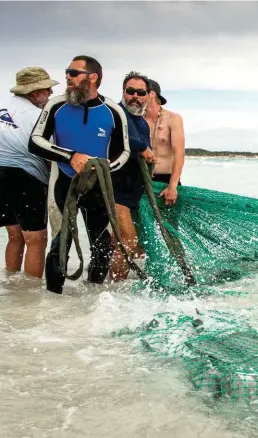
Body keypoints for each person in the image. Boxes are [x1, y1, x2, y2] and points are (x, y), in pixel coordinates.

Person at [28, 55, 131, 294]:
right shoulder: (56, 105)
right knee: (60, 245)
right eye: (67, 72)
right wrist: (70, 156)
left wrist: (103, 168)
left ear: (93, 78)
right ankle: (53, 303)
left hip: (99, 187)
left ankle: (92, 301)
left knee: (101, 246)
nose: (67, 77)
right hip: (63, 184)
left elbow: (123, 152)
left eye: (73, 73)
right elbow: (34, 142)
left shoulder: (113, 111)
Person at [0, 67, 59, 279]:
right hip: (22, 178)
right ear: (33, 93)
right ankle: (30, 298)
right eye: (46, 90)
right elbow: (48, 154)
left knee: (15, 236)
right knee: (37, 239)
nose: (50, 94)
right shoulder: (37, 115)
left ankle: (11, 286)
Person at [109, 71, 156, 281]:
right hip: (115, 190)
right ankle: (115, 291)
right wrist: (143, 147)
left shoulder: (143, 122)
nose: (135, 96)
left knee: (127, 245)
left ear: (147, 96)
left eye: (140, 92)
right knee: (127, 240)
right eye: (130, 91)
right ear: (123, 92)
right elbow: (120, 134)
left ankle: (108, 287)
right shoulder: (115, 113)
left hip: (134, 193)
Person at [144, 79, 185, 206]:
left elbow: (179, 153)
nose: (137, 96)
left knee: (170, 224)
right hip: (142, 178)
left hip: (167, 178)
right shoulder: (137, 119)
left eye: (142, 92)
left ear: (152, 94)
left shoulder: (173, 118)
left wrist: (173, 186)